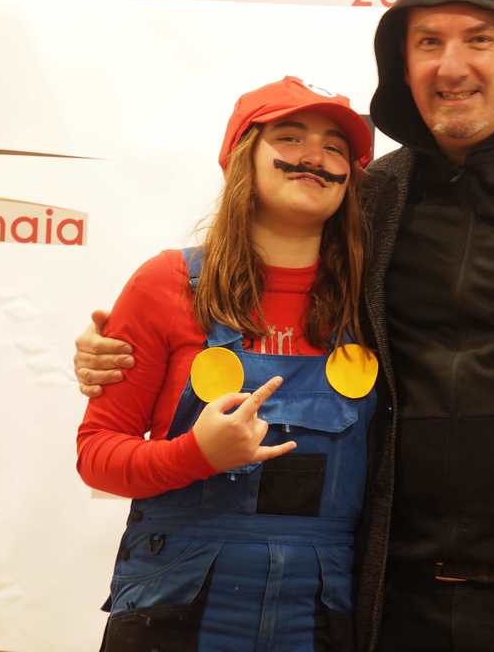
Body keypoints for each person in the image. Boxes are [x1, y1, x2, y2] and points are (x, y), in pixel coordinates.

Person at [76, 0, 494, 652]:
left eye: (478, 39)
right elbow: (267, 295)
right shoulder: (375, 195)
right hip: (395, 601)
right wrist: (117, 353)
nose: (451, 65)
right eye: (428, 43)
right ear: (403, 67)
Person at [75, 76, 376, 651]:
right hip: (173, 605)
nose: (314, 157)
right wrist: (196, 455)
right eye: (290, 138)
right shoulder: (167, 283)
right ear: (244, 158)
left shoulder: (375, 305)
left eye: (335, 147)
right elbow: (97, 454)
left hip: (321, 614)